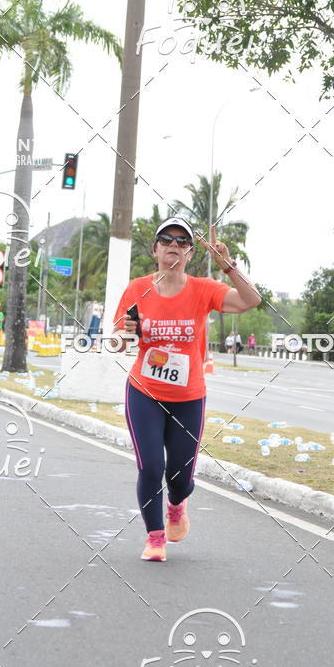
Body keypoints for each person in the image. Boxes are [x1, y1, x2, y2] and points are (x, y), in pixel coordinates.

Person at [113, 218, 262, 562]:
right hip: (144, 393)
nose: (173, 246)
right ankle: (155, 537)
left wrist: (227, 265)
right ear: (155, 250)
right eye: (166, 240)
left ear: (190, 253)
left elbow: (250, 300)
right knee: (150, 467)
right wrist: (125, 335)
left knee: (179, 477)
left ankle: (177, 505)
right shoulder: (138, 289)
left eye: (182, 242)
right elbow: (120, 338)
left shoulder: (202, 288)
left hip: (188, 398)